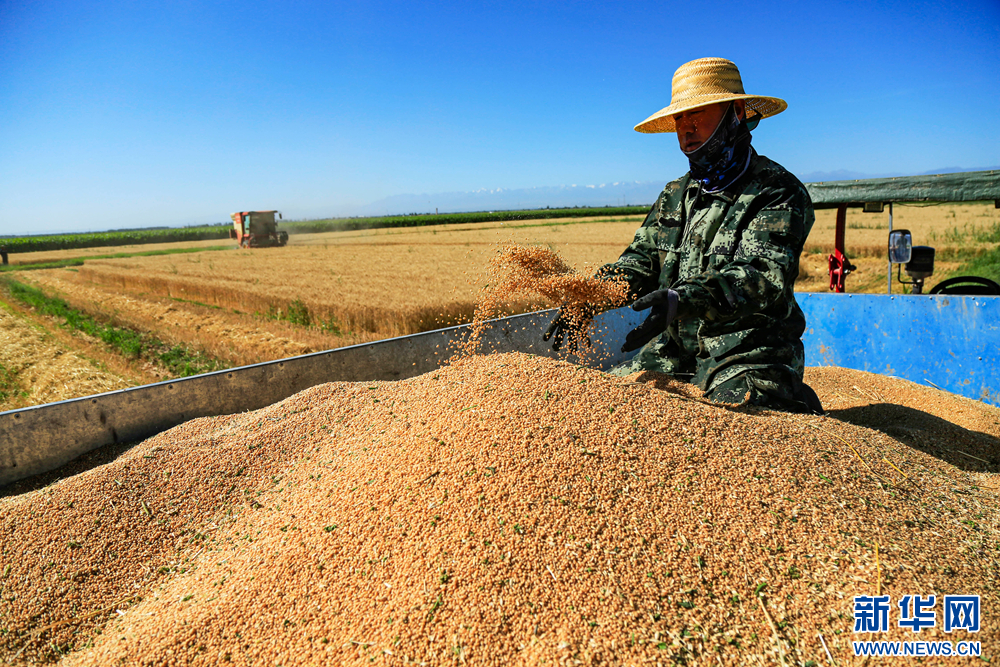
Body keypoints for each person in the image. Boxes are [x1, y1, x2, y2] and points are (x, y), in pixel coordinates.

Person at [544, 57, 823, 414]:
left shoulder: (777, 191)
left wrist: (684, 298)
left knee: (740, 417)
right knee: (607, 404)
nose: (686, 129)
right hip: (673, 352)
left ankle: (792, 397)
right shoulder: (674, 195)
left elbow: (762, 275)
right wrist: (592, 293)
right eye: (679, 119)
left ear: (736, 111)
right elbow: (640, 261)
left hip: (749, 353)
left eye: (698, 115)